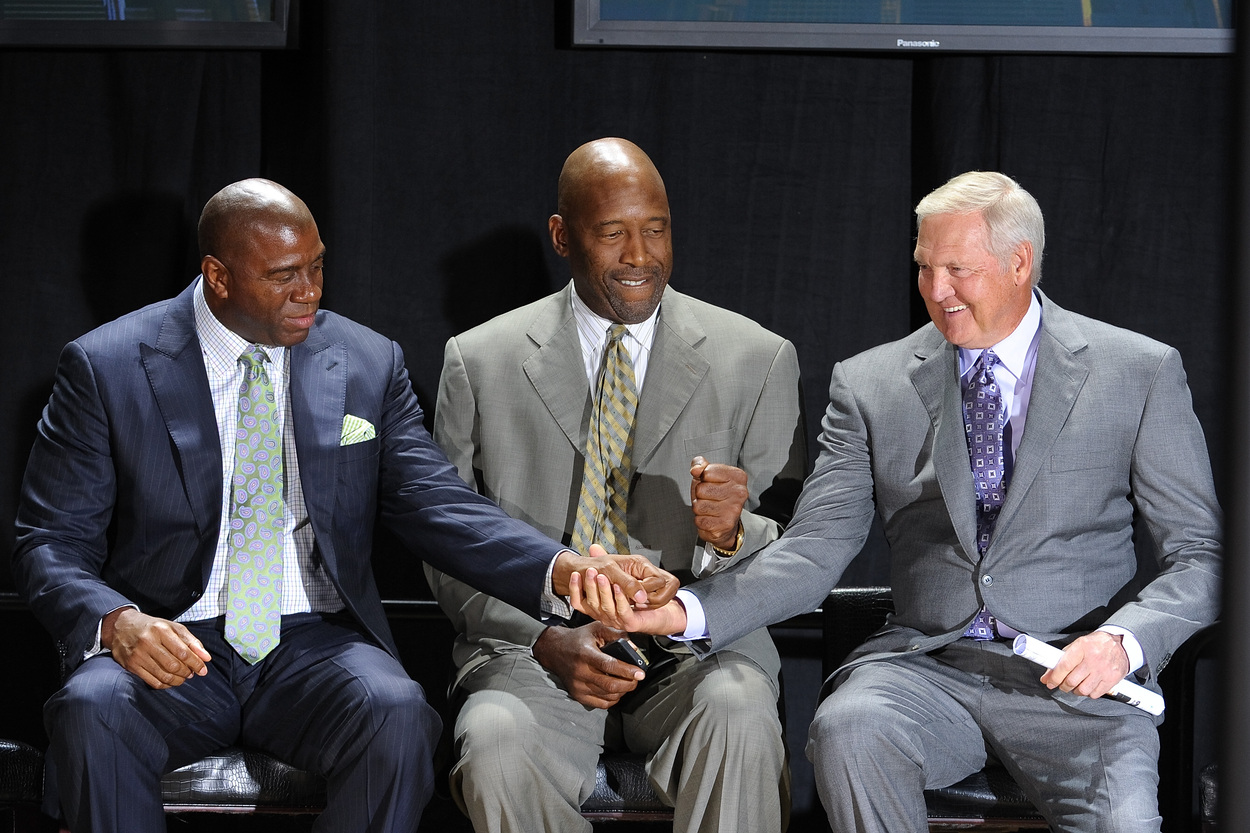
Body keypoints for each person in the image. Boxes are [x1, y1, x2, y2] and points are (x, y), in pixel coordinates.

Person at [11, 177, 675, 833]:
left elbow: (437, 502)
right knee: (91, 708)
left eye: (318, 265)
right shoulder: (107, 367)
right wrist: (119, 621)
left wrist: (566, 571)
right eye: (285, 275)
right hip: (172, 639)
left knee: (397, 713)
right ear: (218, 276)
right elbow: (50, 541)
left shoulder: (364, 360)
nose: (311, 291)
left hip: (311, 641)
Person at [576, 171, 1223, 832]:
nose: (936, 292)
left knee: (1126, 820)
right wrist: (685, 610)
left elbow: (1204, 557)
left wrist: (1124, 640)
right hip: (926, 670)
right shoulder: (870, 384)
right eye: (924, 267)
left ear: (1019, 261)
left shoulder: (1138, 372)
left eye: (958, 270)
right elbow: (816, 548)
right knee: (848, 728)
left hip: (1074, 681)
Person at [424, 137, 807, 833]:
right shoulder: (478, 362)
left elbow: (794, 550)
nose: (640, 256)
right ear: (562, 236)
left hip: (697, 650)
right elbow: (448, 539)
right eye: (613, 233)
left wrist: (725, 537)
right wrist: (542, 637)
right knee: (494, 741)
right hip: (535, 651)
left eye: (655, 230)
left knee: (741, 709)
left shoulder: (757, 358)